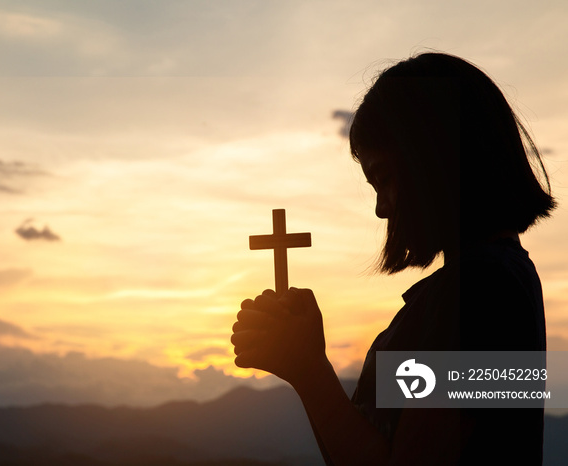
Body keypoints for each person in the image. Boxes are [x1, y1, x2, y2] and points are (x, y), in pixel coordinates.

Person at [231, 52, 556, 465]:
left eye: (384, 178)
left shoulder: (482, 290)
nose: (382, 209)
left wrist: (310, 370)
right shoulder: (498, 280)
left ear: (436, 158)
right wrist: (303, 365)